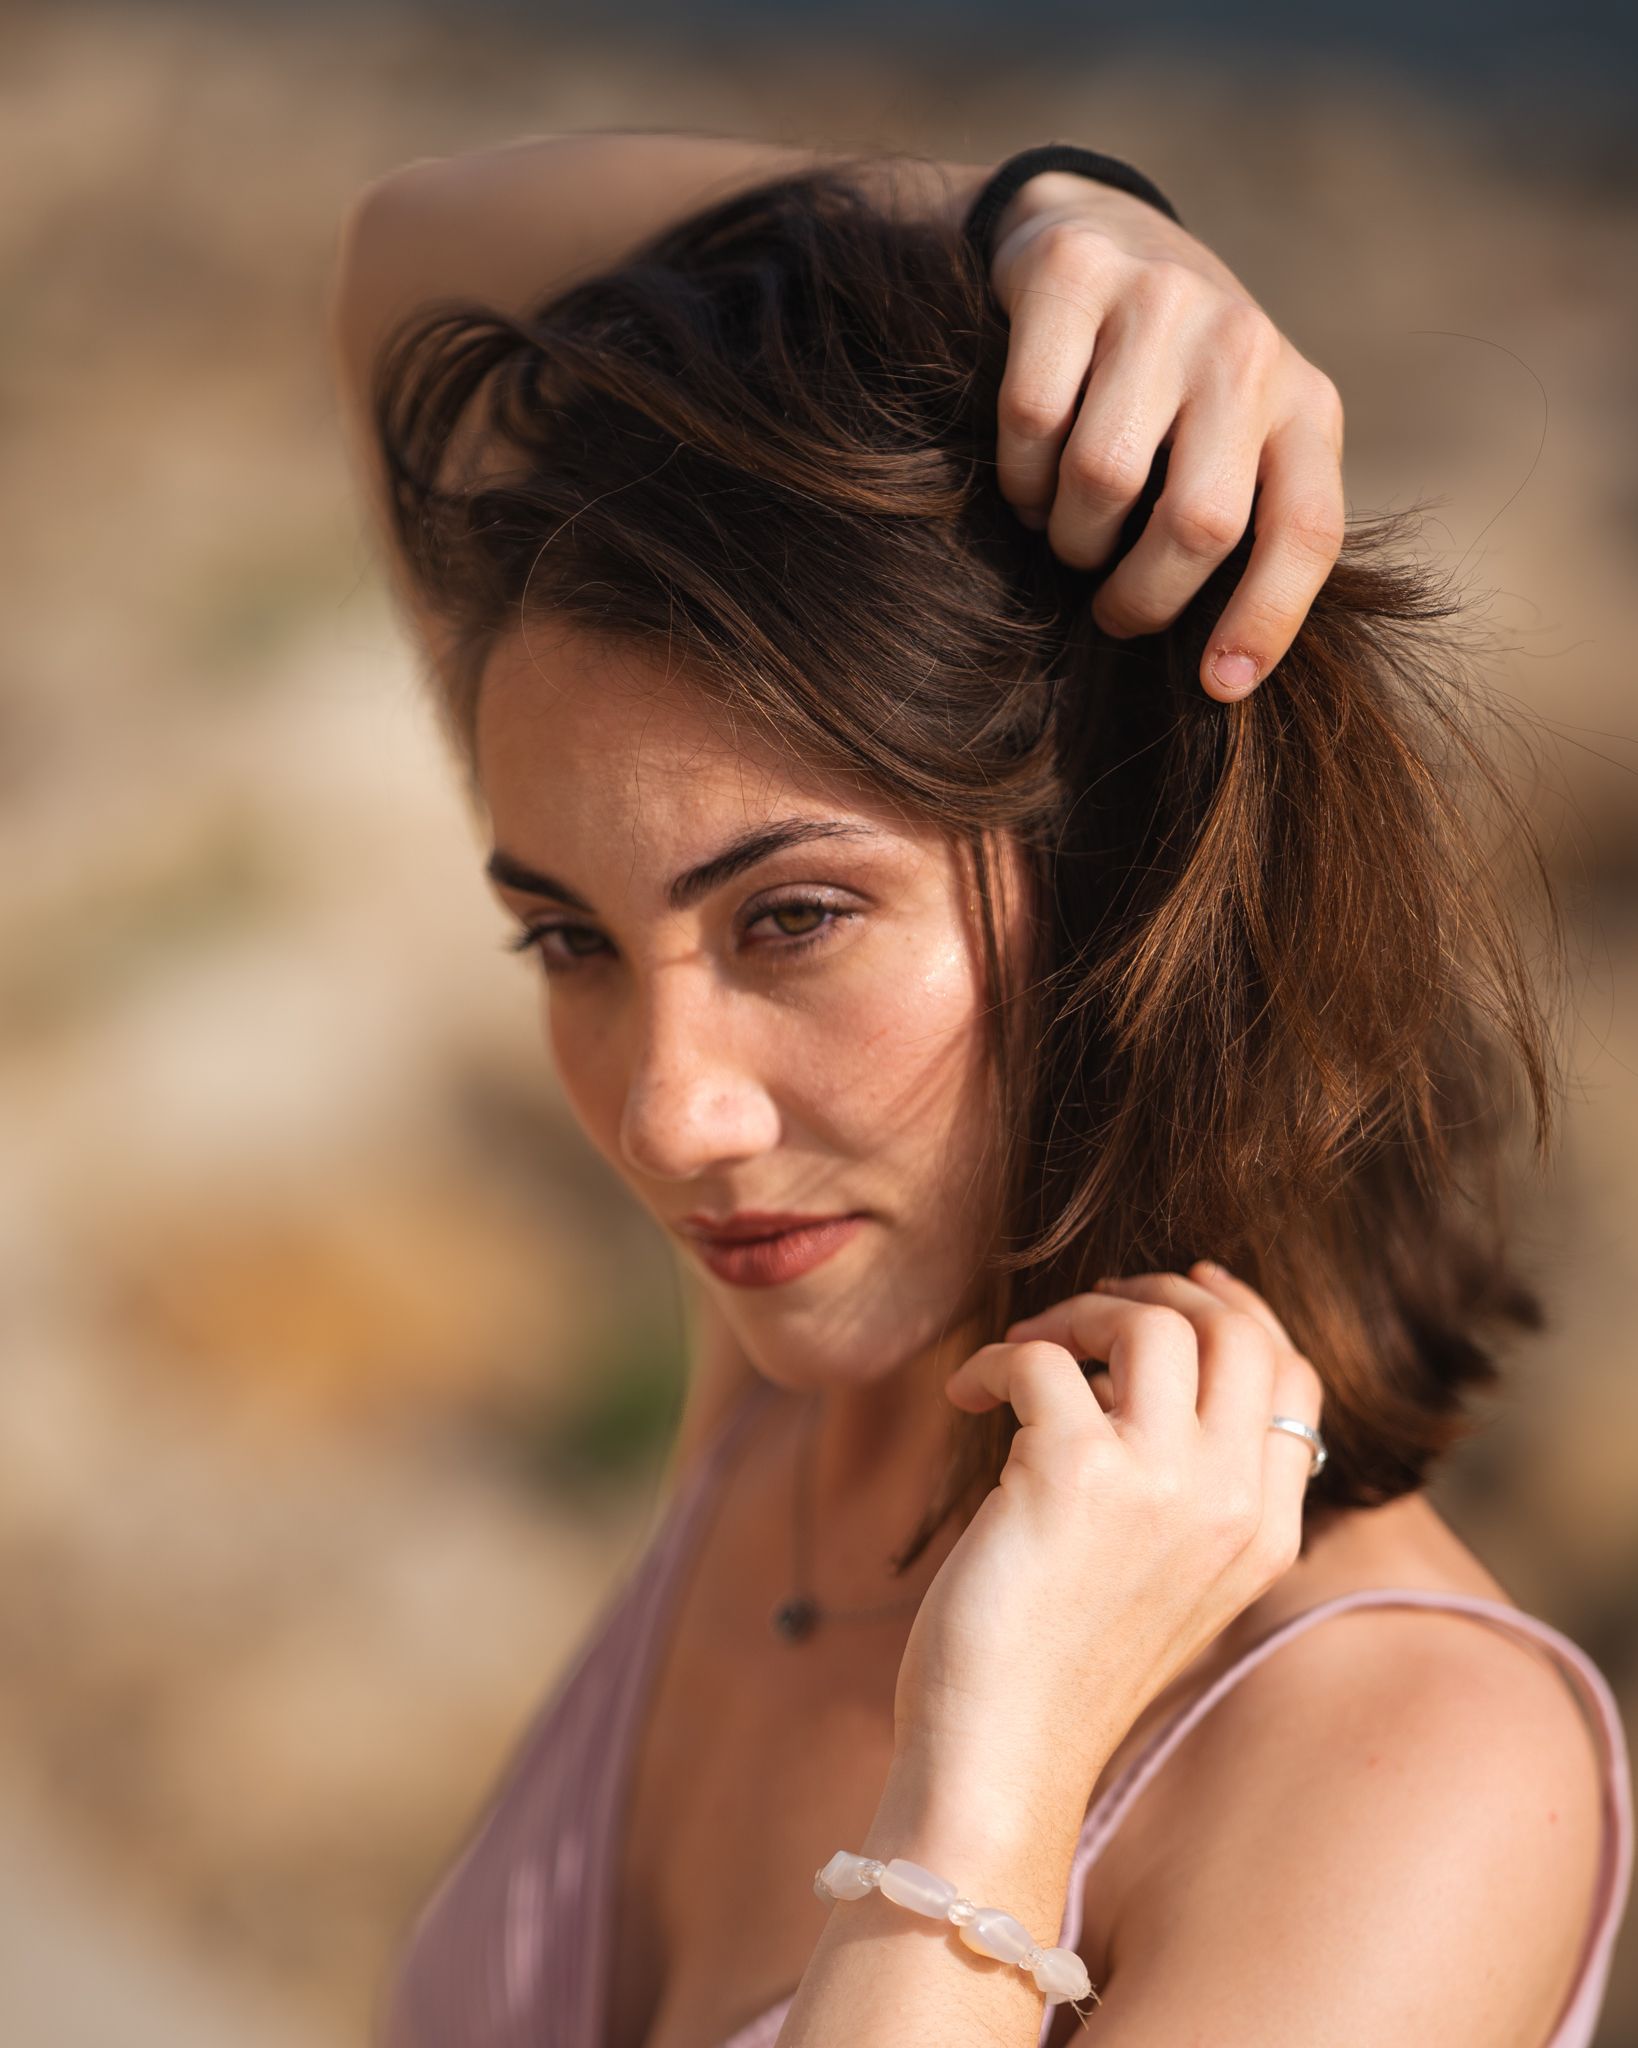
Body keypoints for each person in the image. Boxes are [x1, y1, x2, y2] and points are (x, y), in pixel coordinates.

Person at [325, 132, 1632, 2048]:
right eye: (570, 941)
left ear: (1107, 869)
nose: (667, 1120)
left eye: (789, 919)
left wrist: (992, 1777)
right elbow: (410, 256)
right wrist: (1048, 217)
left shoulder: (1409, 1775)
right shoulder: (809, 1393)